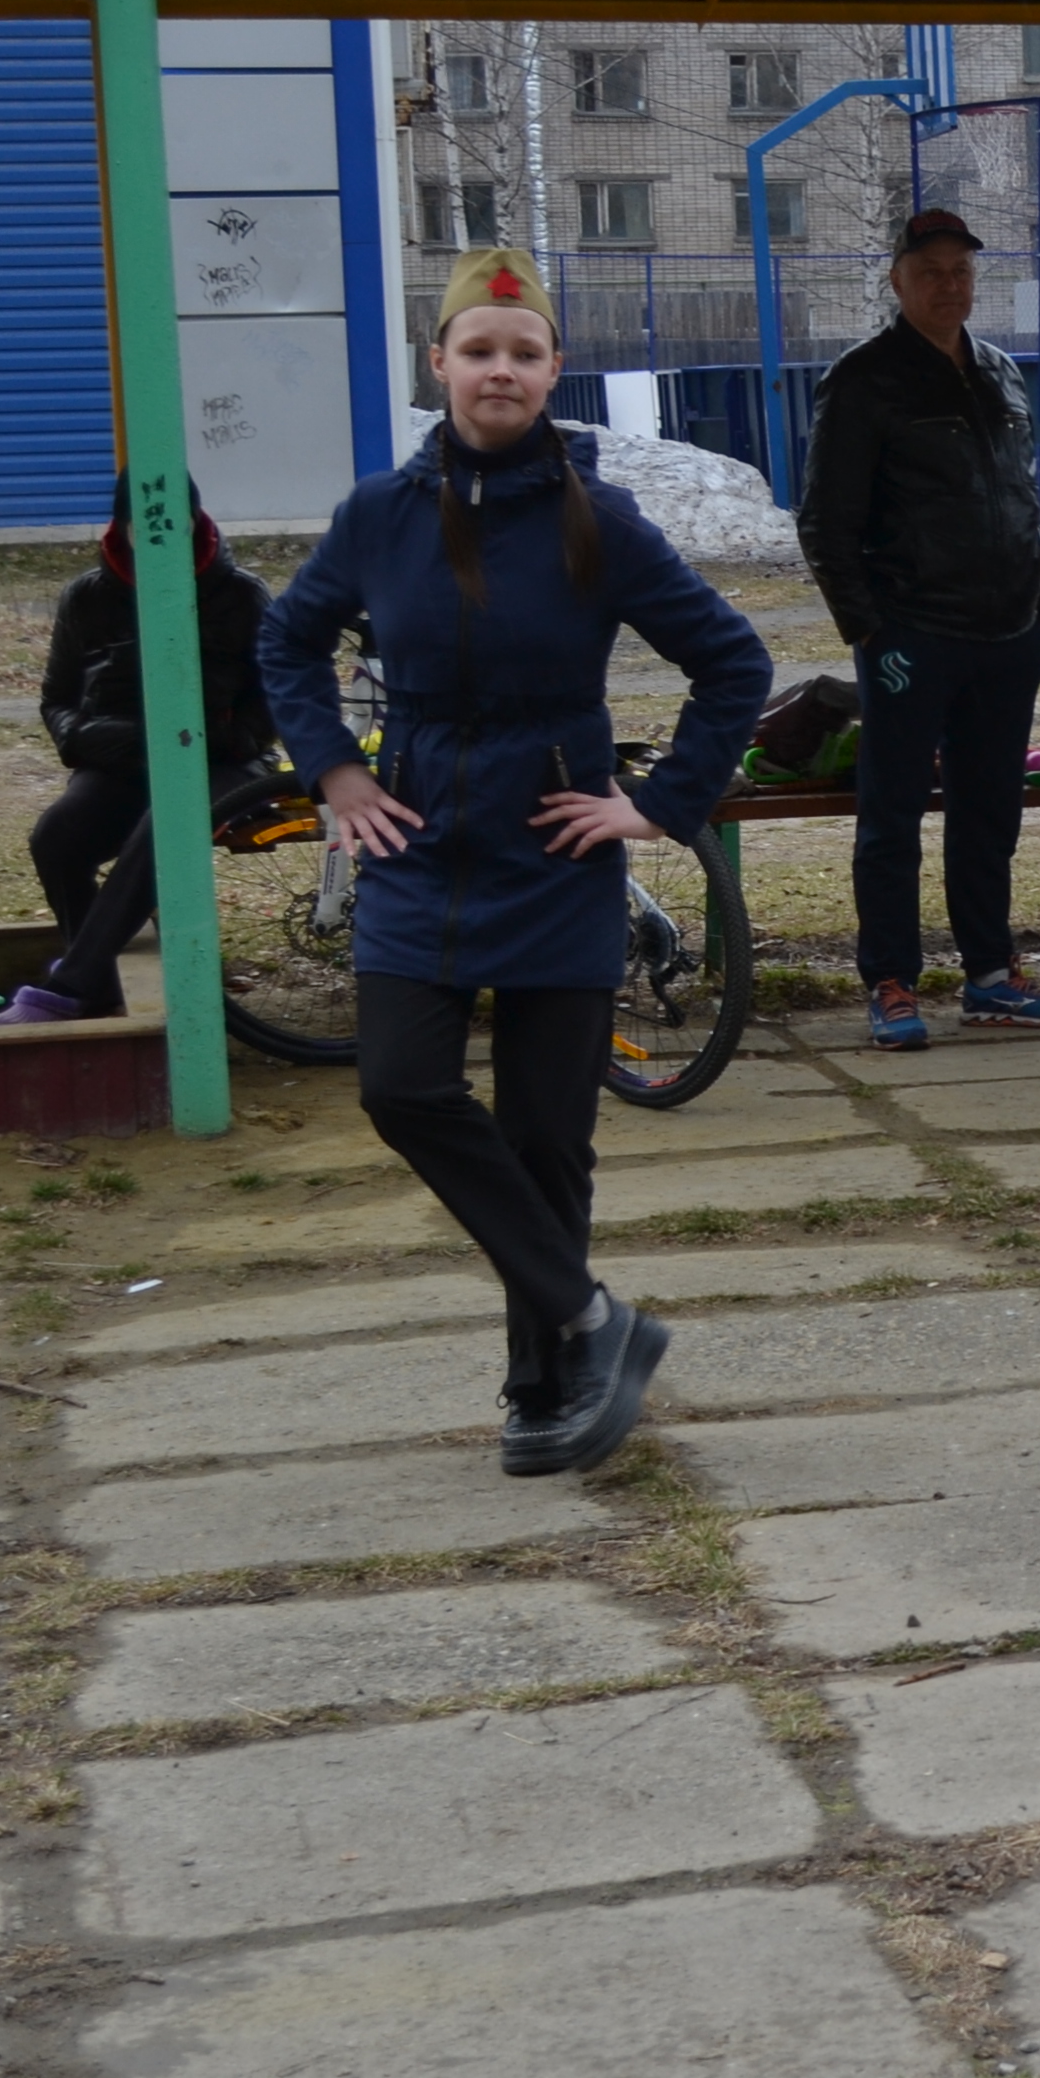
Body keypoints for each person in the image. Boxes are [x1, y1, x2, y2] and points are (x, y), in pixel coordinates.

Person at [258, 247, 771, 1477]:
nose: (500, 370)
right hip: (421, 842)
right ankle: (599, 1320)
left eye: (524, 353)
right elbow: (288, 639)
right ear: (439, 368)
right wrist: (336, 772)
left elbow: (734, 664)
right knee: (402, 1088)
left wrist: (652, 809)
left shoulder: (602, 517)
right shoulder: (378, 515)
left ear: (552, 373)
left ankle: (545, 1385)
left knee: (548, 1139)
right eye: (477, 351)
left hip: (552, 849)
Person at [795, 206, 1040, 1051]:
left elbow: (1016, 490)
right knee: (892, 814)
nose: (948, 286)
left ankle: (991, 975)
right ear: (897, 279)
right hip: (912, 636)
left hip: (1009, 631)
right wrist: (871, 635)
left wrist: (1038, 590)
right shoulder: (863, 380)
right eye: (930, 272)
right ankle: (889, 980)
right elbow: (825, 523)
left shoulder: (1000, 371)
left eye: (960, 271)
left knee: (989, 810)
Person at [0, 480, 276, 1025]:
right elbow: (57, 699)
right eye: (143, 527)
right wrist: (86, 738)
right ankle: (96, 975)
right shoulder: (88, 597)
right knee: (57, 838)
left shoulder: (240, 594)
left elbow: (276, 700)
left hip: (222, 764)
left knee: (166, 824)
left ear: (197, 520)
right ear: (119, 528)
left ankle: (71, 985)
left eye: (178, 523)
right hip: (121, 761)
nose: (162, 539)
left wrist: (226, 739)